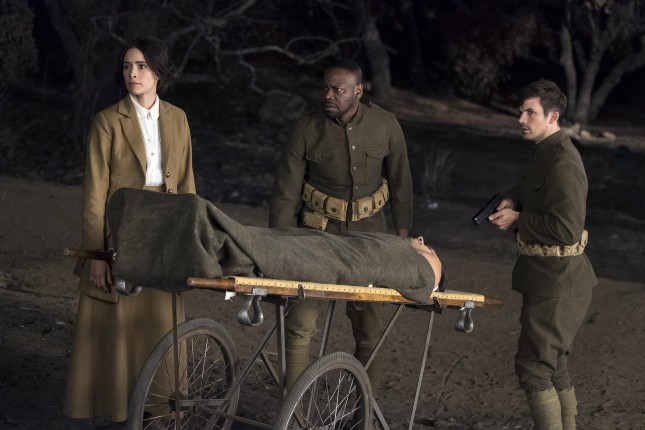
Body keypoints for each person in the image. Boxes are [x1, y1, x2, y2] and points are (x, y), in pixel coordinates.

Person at [63, 36, 196, 426]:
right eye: (126, 66)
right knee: (120, 326)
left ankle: (158, 407)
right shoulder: (107, 121)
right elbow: (94, 196)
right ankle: (121, 408)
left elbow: (187, 186)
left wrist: (189, 242)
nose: (132, 73)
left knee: (159, 322)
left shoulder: (178, 118)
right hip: (121, 235)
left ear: (159, 72)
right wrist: (96, 255)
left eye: (141, 66)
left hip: (165, 235)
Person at [269, 58, 414, 390]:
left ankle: (363, 408)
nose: (329, 95)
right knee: (299, 321)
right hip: (316, 236)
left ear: (358, 91)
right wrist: (277, 246)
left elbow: (402, 184)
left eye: (338, 89)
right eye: (326, 88)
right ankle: (294, 409)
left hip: (369, 237)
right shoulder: (306, 129)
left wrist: (403, 237)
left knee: (370, 327)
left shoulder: (386, 125)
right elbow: (285, 194)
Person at [488, 79, 597, 430]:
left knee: (534, 368)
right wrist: (513, 199)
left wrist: (519, 219)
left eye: (530, 112)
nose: (521, 119)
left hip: (558, 280)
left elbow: (566, 229)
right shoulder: (546, 152)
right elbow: (531, 187)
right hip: (547, 276)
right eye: (520, 111)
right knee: (553, 365)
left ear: (552, 117)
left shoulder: (563, 162)